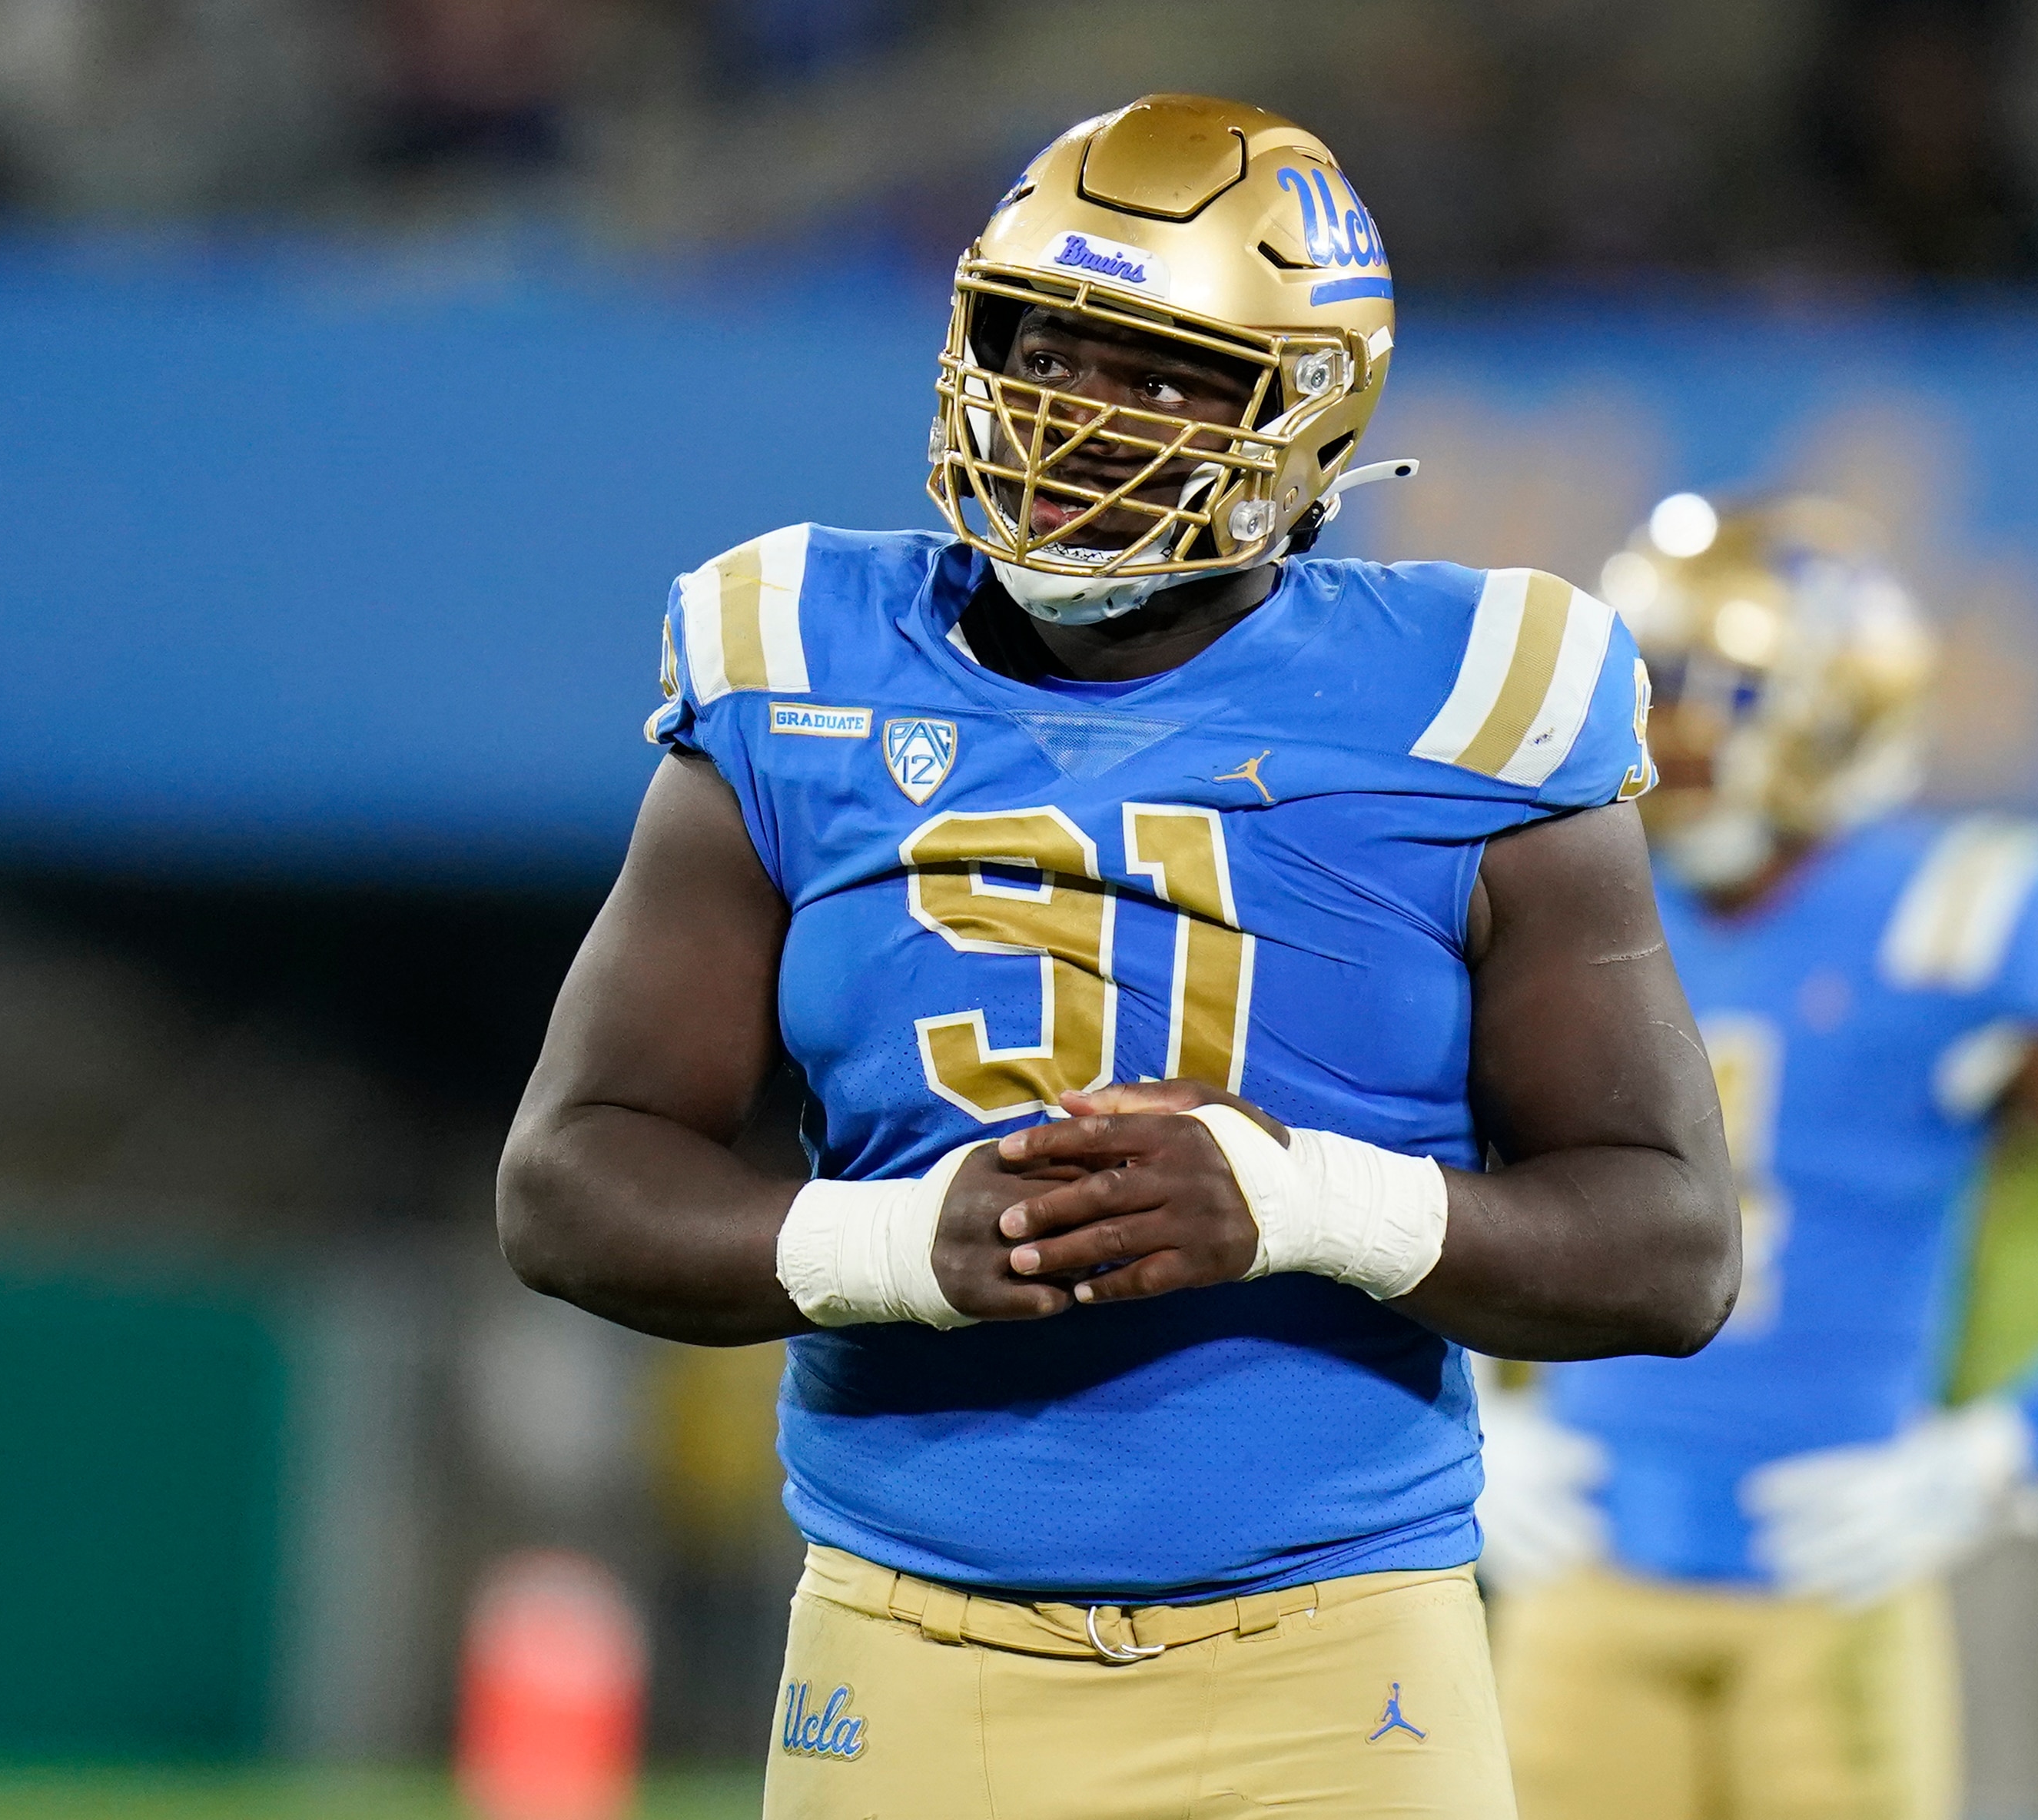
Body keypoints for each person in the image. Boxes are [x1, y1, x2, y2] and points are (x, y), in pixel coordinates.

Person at [497, 94, 1741, 1820]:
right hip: (911, 1644)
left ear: (1309, 415)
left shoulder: (1471, 696)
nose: (1083, 415)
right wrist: (897, 1243)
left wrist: (1299, 1205)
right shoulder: (794, 656)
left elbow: (1672, 1247)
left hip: (1334, 1661)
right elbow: (568, 1178)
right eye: (1047, 345)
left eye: (1165, 374)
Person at [1477, 493, 2038, 1820]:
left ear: (1833, 708)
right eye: (1654, 685)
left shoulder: (1953, 917)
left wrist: (2005, 1452)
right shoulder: (1557, 886)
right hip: (1584, 1558)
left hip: (1834, 1566)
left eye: (1711, 690)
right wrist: (1469, 1407)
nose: (1670, 730)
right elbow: (1405, 1167)